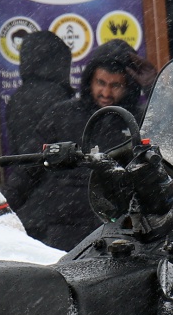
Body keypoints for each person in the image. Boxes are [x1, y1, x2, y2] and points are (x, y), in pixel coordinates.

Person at [20, 39, 148, 251]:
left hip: (121, 231)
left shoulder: (140, 120)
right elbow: (29, 170)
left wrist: (152, 85)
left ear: (129, 86)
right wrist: (1, 208)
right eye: (101, 83)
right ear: (90, 81)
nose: (106, 93)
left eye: (115, 85)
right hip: (64, 229)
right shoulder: (61, 114)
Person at [2, 30, 73, 212]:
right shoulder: (57, 97)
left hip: (24, 189)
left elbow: (19, 148)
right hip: (54, 194)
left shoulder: (17, 98)